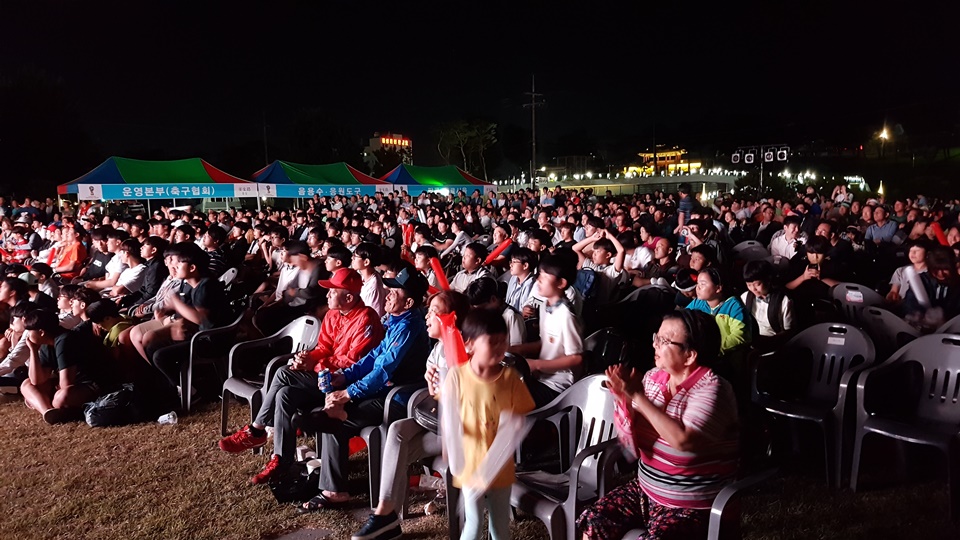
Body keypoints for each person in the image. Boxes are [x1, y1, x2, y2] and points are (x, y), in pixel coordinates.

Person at [577, 310, 739, 540]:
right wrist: (624, 400)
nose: (655, 345)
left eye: (664, 341)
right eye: (656, 337)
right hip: (645, 491)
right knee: (595, 520)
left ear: (690, 355)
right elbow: (634, 436)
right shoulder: (654, 377)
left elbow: (684, 441)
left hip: (692, 506)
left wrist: (638, 397)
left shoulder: (713, 389)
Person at [218, 268, 384, 484]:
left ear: (349, 297)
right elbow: (324, 346)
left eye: (332, 291)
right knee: (285, 394)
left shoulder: (367, 318)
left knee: (283, 373)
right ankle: (281, 461)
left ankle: (256, 430)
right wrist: (307, 357)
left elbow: (353, 363)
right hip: (323, 376)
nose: (327, 295)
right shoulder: (333, 314)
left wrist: (313, 363)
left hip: (344, 384)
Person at [297, 264, 431, 512]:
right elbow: (372, 359)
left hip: (400, 398)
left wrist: (348, 393)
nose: (388, 295)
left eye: (395, 292)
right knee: (332, 411)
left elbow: (383, 371)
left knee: (336, 421)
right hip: (383, 391)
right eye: (389, 290)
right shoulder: (396, 320)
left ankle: (334, 490)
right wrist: (342, 378)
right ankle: (327, 474)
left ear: (409, 302)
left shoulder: (409, 327)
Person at [350, 290, 470, 540]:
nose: (428, 315)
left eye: (435, 311)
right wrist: (431, 383)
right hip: (437, 420)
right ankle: (385, 513)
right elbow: (435, 393)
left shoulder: (467, 349)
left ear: (452, 318)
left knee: (396, 447)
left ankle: (386, 519)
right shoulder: (438, 349)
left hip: (460, 431)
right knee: (396, 430)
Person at [442, 308, 535, 540]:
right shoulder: (457, 377)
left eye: (503, 341)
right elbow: (450, 419)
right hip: (470, 465)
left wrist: (513, 428)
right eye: (492, 342)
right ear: (470, 344)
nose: (499, 347)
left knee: (500, 526)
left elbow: (518, 420)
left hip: (501, 468)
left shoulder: (510, 379)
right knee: (473, 523)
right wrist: (450, 449)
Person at [509, 251, 585, 407]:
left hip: (558, 385)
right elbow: (546, 342)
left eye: (544, 276)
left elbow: (576, 358)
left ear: (561, 283)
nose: (538, 280)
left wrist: (537, 364)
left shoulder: (566, 315)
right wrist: (517, 349)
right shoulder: (546, 306)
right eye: (539, 275)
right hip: (542, 377)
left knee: (510, 401)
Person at [20, 309, 108, 424]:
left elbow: (66, 384)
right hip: (72, 386)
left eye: (29, 331)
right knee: (26, 384)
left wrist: (43, 395)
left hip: (92, 385)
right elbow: (36, 380)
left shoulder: (65, 340)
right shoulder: (47, 345)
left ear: (41, 332)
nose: (27, 336)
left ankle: (54, 407)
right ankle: (49, 412)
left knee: (60, 398)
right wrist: (33, 351)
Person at [741, 260, 793, 350]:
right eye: (749, 285)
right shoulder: (745, 297)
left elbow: (788, 331)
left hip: (773, 342)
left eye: (757, 284)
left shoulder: (783, 301)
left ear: (768, 280)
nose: (753, 289)